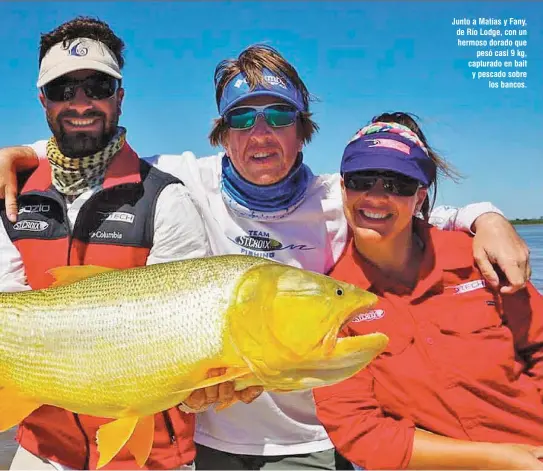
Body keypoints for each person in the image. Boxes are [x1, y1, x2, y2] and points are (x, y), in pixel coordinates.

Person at [0, 44, 532, 470]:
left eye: (279, 116)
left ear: (303, 130)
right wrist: (22, 155)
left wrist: (486, 217)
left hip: (312, 437)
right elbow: (89, 144)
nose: (260, 133)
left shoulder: (339, 198)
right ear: (221, 133)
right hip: (211, 435)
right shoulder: (182, 180)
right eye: (241, 119)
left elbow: (410, 208)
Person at [0, 16, 260, 471]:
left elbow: (187, 332)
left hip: (148, 458)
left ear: (119, 96)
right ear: (43, 100)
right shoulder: (11, 190)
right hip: (39, 450)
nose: (81, 104)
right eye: (63, 90)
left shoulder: (164, 197)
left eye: (97, 86)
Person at [313, 116, 543, 470]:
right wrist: (503, 460)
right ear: (343, 189)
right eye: (362, 181)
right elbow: (357, 430)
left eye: (397, 183)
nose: (376, 195)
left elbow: (538, 347)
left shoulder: (479, 259)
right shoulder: (333, 304)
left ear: (420, 195)